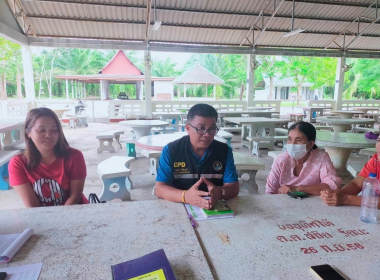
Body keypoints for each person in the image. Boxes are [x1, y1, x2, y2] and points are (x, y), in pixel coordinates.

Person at [155, 104, 239, 209]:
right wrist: (185, 196)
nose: (207, 134)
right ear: (188, 128)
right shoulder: (172, 150)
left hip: (213, 209)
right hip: (179, 207)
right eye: (201, 128)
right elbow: (160, 189)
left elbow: (234, 187)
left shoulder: (223, 151)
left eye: (212, 129)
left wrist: (220, 192)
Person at [8, 108, 88, 207]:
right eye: (41, 130)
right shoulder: (18, 163)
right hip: (40, 217)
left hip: (75, 212)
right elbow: (32, 205)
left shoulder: (74, 156)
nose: (48, 135)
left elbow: (75, 196)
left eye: (54, 130)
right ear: (28, 133)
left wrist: (61, 220)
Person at [266, 122, 341, 195]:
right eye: (290, 139)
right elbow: (270, 191)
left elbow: (332, 186)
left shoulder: (321, 158)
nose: (292, 144)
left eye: (298, 140)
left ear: (310, 144)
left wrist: (297, 188)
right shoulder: (281, 160)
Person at [320, 135, 380, 207]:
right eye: (379, 140)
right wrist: (337, 195)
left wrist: (345, 199)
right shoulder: (376, 160)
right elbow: (356, 184)